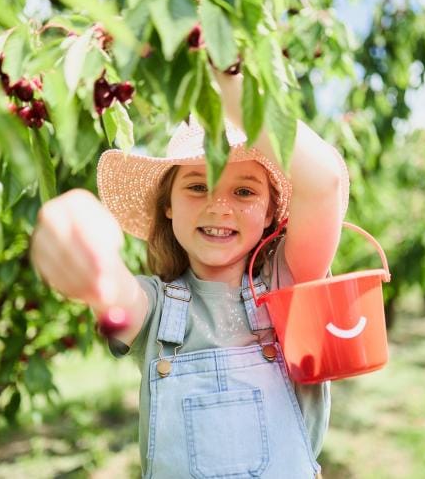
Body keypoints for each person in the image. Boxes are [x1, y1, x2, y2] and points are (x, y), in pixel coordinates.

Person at [30, 69, 349, 478]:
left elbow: (324, 183)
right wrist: (84, 251)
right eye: (197, 187)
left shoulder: (287, 281)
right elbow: (113, 290)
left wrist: (229, 80)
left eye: (245, 191)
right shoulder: (156, 308)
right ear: (168, 205)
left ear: (271, 212)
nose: (219, 206)